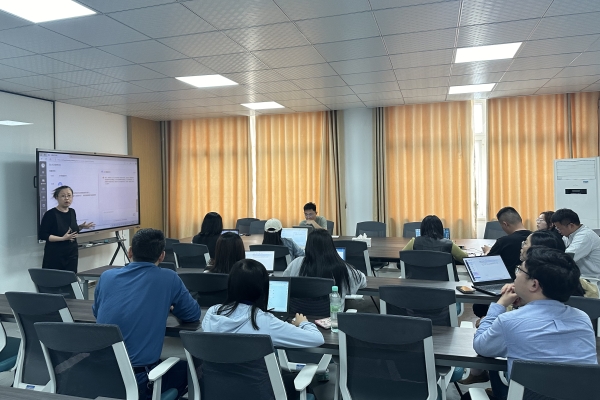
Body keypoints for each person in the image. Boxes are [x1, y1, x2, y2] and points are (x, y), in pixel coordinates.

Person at [473, 246, 597, 400]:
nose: (516, 275)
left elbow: (481, 346)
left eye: (520, 270)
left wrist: (500, 305)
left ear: (534, 284)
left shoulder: (509, 321)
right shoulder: (582, 318)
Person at [93, 228, 200, 400]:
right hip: (140, 381)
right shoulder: (169, 278)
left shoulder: (106, 277)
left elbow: (97, 312)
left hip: (98, 375)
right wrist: (170, 306)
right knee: (193, 368)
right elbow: (193, 314)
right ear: (162, 256)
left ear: (130, 252)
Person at [202, 259, 324, 400]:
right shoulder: (265, 321)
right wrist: (303, 323)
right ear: (264, 289)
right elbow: (317, 339)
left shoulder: (213, 313)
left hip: (218, 392)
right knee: (299, 384)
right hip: (259, 394)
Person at [283, 230, 366, 298]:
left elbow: (284, 282)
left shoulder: (296, 263)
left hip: (300, 312)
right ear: (331, 246)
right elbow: (362, 282)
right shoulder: (341, 267)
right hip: (332, 312)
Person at [520, 230, 598, 298]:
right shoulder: (575, 282)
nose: (522, 247)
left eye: (525, 243)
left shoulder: (539, 285)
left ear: (538, 250)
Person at [38, 185, 94, 273]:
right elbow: (43, 235)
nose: (67, 198)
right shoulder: (50, 214)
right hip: (55, 255)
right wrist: (62, 238)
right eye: (63, 196)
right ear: (56, 197)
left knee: (71, 278)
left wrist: (81, 227)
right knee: (56, 279)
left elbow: (71, 231)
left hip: (71, 253)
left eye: (69, 195)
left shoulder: (72, 211)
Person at [482, 207, 532, 279]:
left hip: (507, 281)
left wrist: (488, 251)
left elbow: (487, 264)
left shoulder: (503, 241)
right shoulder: (535, 238)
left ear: (505, 224)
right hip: (530, 281)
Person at [551, 208, 600, 280]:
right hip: (581, 277)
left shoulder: (585, 236)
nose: (558, 231)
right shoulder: (568, 235)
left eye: (560, 228)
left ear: (571, 225)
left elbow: (567, 258)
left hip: (592, 279)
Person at [402, 215, 468, 263]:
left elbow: (402, 256)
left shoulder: (414, 242)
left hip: (418, 277)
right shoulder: (449, 244)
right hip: (443, 278)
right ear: (440, 228)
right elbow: (464, 258)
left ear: (422, 228)